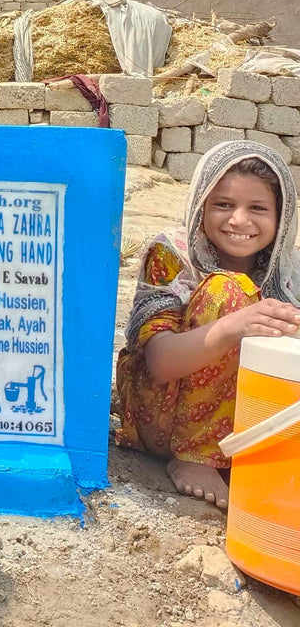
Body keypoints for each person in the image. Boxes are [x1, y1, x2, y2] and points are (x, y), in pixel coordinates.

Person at [116, 140, 300, 509]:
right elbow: (160, 362)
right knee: (230, 291)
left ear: (282, 218)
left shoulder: (288, 273)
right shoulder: (172, 252)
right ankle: (195, 455)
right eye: (224, 205)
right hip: (163, 413)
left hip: (246, 422)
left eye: (258, 208)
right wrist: (237, 323)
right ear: (201, 204)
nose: (239, 221)